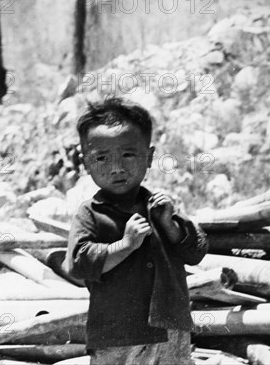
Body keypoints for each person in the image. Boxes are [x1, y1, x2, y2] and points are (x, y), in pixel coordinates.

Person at [62, 97, 208, 365]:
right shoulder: (90, 214)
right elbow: (77, 264)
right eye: (102, 158)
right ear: (86, 164)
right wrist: (124, 245)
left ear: (149, 157)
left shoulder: (160, 207)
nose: (116, 167)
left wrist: (169, 225)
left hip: (170, 328)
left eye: (128, 154)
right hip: (117, 334)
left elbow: (196, 251)